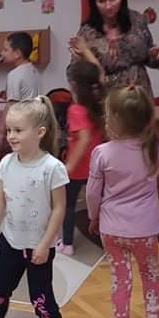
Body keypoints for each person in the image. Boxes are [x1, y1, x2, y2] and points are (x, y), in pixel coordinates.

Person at [0, 97, 70, 318]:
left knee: (40, 297)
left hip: (39, 247)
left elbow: (59, 209)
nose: (11, 136)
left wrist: (44, 244)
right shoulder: (7, 163)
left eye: (18, 130)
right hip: (10, 241)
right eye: (9, 130)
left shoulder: (52, 168)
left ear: (39, 132)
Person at [87, 85, 159, 318]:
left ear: (114, 120)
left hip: (111, 229)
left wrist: (93, 217)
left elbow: (92, 193)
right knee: (151, 274)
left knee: (120, 279)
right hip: (145, 228)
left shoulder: (102, 153)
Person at [70, 0, 159, 94]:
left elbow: (151, 60)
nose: (108, 6)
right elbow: (73, 74)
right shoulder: (87, 32)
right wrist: (82, 60)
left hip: (140, 97)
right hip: (107, 99)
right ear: (94, 3)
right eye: (102, 1)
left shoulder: (136, 20)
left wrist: (156, 57)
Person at [57, 61, 104, 257]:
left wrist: (69, 166)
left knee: (67, 205)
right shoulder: (98, 105)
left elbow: (84, 139)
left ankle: (67, 244)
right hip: (98, 166)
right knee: (101, 205)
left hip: (78, 169)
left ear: (73, 84)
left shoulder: (76, 110)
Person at [1, 31, 40, 103]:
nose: (2, 53)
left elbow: (12, 106)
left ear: (17, 53)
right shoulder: (35, 71)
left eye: (5, 50)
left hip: (21, 110)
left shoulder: (14, 75)